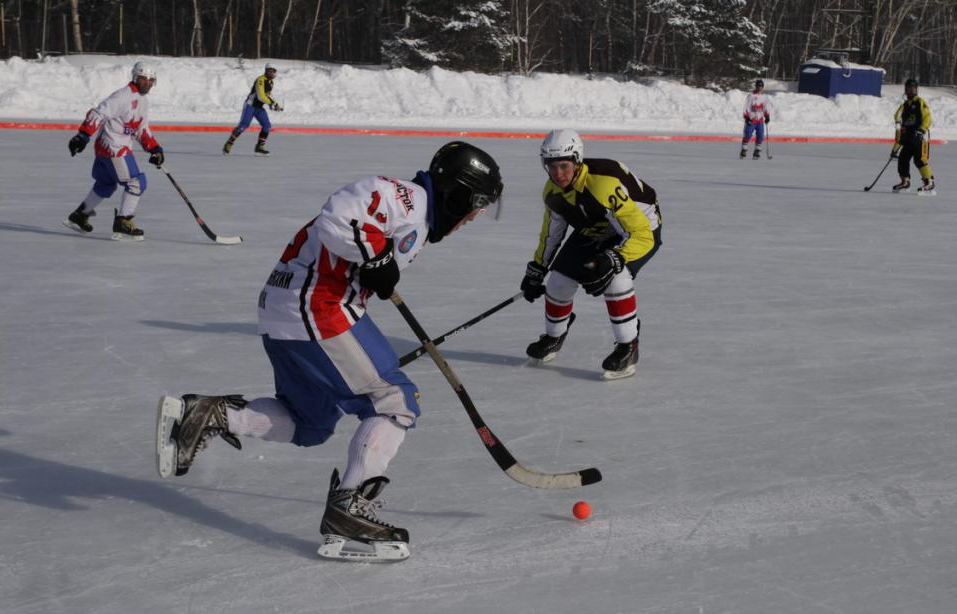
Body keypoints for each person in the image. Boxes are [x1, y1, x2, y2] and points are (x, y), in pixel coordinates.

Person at [156, 141, 504, 561]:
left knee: (311, 423)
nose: (475, 215)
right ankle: (349, 507)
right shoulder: (406, 197)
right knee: (396, 399)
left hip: (291, 307)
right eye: (477, 203)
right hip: (315, 305)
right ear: (457, 192)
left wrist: (375, 267)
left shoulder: (419, 219)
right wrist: (376, 258)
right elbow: (339, 215)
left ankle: (210, 415)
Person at [519, 129, 662, 380]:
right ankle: (554, 336)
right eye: (551, 166)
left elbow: (641, 234)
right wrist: (538, 268)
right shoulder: (552, 192)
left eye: (564, 166)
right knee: (559, 279)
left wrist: (613, 258)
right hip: (600, 226)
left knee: (616, 278)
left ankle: (628, 347)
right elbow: (552, 234)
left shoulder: (603, 184)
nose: (558, 174)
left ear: (577, 161)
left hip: (641, 228)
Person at [63, 61, 164, 240]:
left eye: (150, 80)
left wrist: (154, 148)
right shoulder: (123, 96)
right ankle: (123, 220)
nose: (147, 83)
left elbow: (141, 129)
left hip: (111, 149)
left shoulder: (143, 101)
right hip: (113, 148)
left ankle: (80, 215)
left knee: (106, 184)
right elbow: (98, 113)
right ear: (135, 77)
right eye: (143, 79)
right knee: (136, 182)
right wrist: (83, 135)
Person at [222, 63, 283, 156]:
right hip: (250, 106)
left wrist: (274, 104)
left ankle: (259, 147)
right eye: (270, 71)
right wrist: (272, 103)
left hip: (259, 108)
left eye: (273, 71)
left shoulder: (271, 82)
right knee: (243, 126)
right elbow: (261, 96)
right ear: (266, 71)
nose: (271, 73)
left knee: (267, 126)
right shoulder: (260, 80)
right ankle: (229, 143)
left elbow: (267, 95)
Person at [891, 78, 935, 193]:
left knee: (919, 160)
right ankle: (905, 181)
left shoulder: (920, 102)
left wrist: (922, 129)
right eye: (909, 89)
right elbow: (897, 119)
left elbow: (928, 118)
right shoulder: (904, 106)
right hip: (909, 137)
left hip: (921, 137)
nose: (911, 91)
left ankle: (929, 182)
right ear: (905, 90)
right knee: (903, 159)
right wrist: (895, 149)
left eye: (913, 88)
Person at [740, 78, 771, 160]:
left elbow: (766, 107)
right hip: (752, 118)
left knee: (760, 134)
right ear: (756, 86)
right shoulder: (751, 96)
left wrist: (767, 116)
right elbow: (746, 106)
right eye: (758, 86)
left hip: (760, 119)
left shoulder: (765, 97)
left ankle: (757, 151)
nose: (760, 88)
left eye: (761, 86)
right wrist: (746, 116)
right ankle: (744, 148)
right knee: (748, 133)